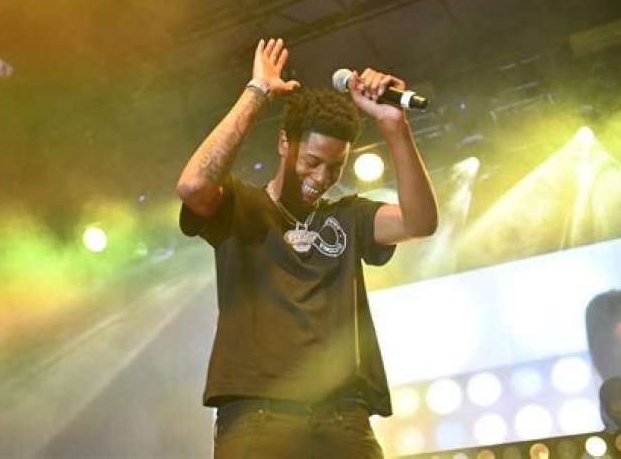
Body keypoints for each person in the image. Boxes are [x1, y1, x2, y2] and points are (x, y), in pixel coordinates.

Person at [176, 38, 438, 459]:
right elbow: (193, 186)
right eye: (312, 161)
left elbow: (420, 223)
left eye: (335, 167)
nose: (322, 178)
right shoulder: (240, 206)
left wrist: (394, 126)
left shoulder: (349, 216)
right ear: (285, 142)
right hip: (256, 419)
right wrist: (257, 93)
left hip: (343, 421)